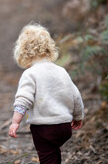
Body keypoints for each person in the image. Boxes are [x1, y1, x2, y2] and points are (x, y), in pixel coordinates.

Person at [8, 23, 84, 164]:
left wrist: (15, 122)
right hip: (64, 126)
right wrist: (78, 117)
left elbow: (23, 100)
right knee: (54, 151)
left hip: (44, 128)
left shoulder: (30, 74)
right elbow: (76, 96)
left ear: (23, 51)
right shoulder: (61, 71)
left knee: (47, 156)